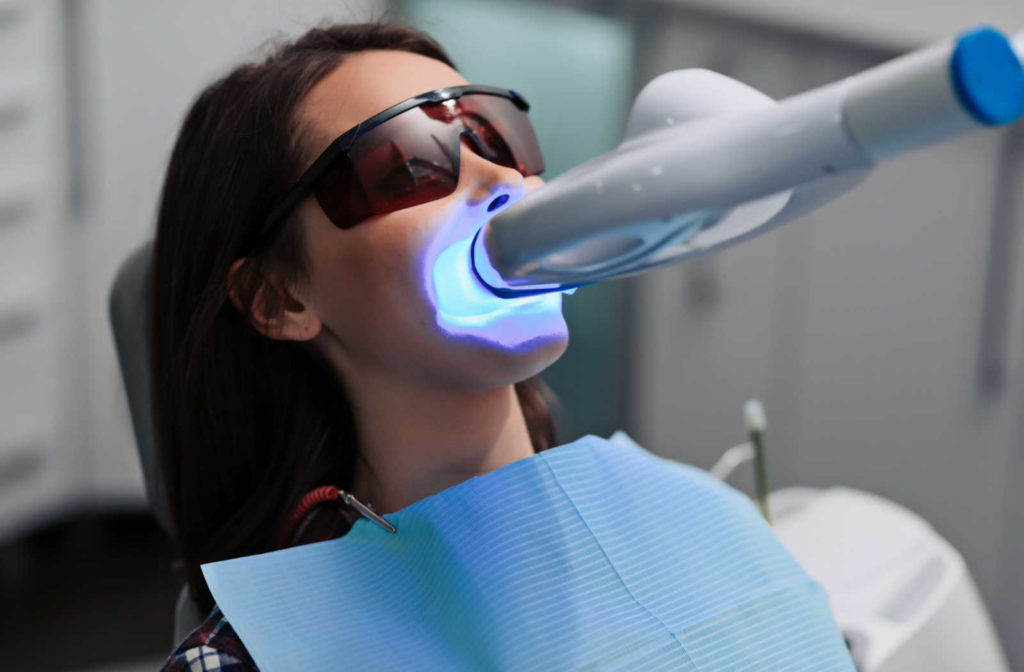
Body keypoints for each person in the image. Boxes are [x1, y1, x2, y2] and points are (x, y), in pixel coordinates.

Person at [153, 21, 567, 670]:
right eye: (408, 163)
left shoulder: (672, 516)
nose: (500, 179)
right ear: (278, 298)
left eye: (497, 136)